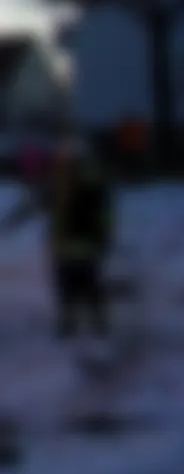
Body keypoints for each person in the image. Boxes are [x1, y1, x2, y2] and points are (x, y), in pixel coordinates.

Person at [0, 137, 114, 340]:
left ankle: (75, 322)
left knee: (71, 284)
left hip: (69, 242)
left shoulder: (64, 183)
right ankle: (95, 322)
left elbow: (34, 204)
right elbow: (105, 213)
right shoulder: (90, 182)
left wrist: (12, 222)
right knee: (86, 283)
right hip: (80, 243)